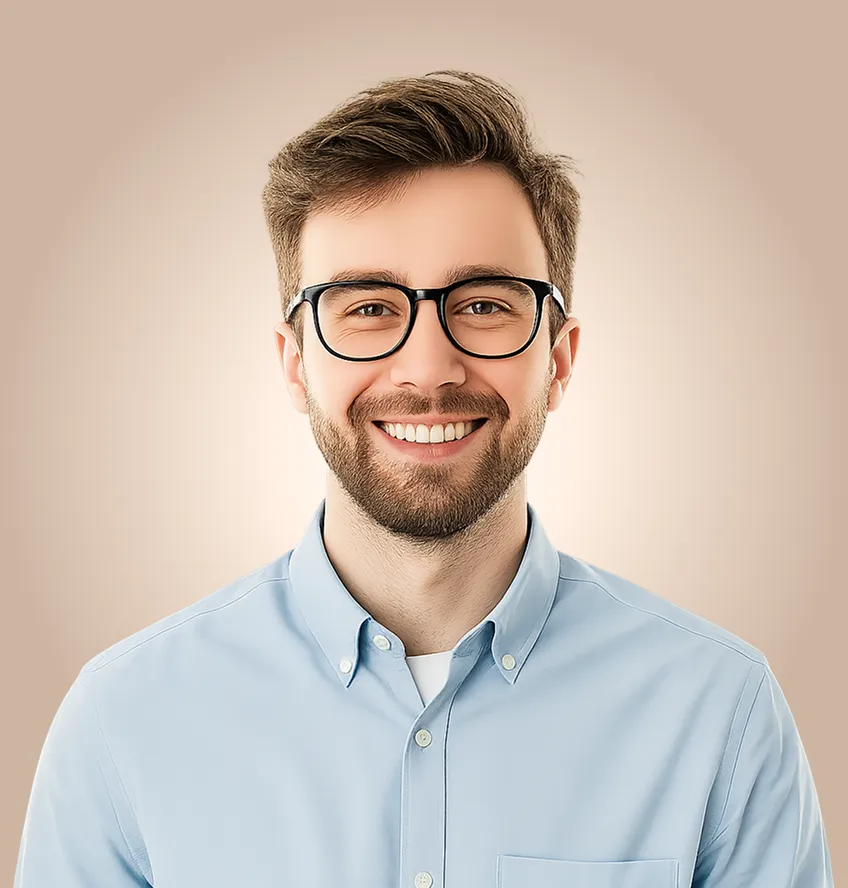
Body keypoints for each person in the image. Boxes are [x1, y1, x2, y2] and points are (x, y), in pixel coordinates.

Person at [14, 70, 832, 888]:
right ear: (296, 366)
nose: (428, 367)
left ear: (559, 358)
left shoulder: (721, 711)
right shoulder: (124, 719)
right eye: (367, 306)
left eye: (482, 304)